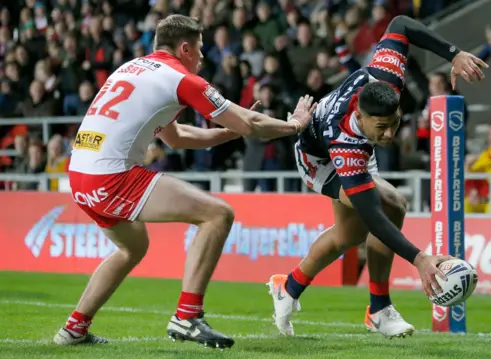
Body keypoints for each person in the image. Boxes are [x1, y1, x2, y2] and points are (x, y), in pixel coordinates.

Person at [54, 14, 317, 349]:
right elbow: (251, 122)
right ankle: (187, 316)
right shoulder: (180, 79)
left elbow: (176, 138)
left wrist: (229, 131)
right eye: (201, 49)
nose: (204, 57)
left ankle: (74, 329)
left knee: (132, 247)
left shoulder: (134, 68)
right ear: (185, 48)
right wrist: (294, 124)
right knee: (217, 214)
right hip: (110, 176)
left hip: (79, 173)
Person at [267, 15, 487, 338]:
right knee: (392, 206)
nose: (389, 135)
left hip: (354, 148)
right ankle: (379, 309)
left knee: (346, 236)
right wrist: (420, 259)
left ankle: (288, 286)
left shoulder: (387, 76)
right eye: (381, 128)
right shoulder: (346, 143)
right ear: (360, 116)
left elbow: (401, 24)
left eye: (394, 123)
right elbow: (373, 215)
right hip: (319, 159)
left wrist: (453, 53)